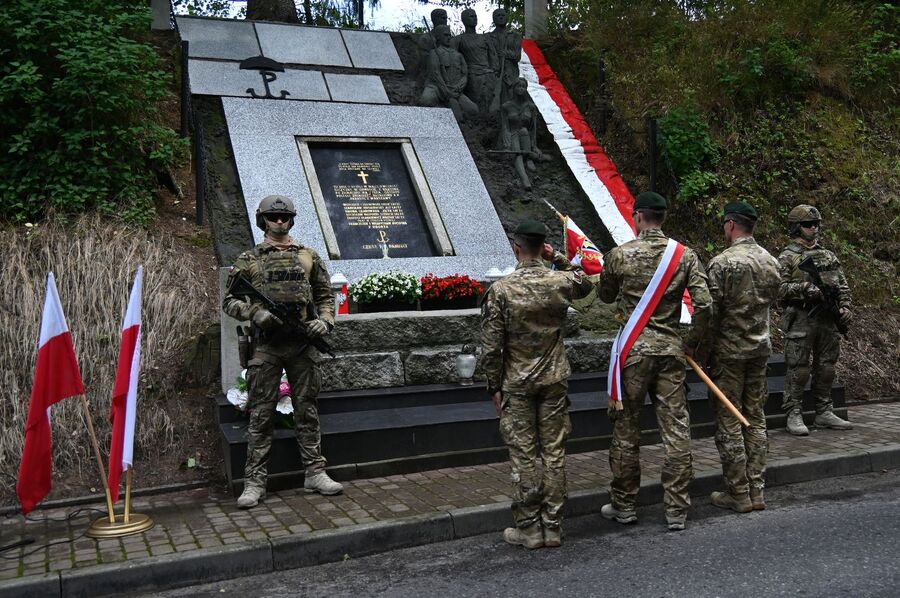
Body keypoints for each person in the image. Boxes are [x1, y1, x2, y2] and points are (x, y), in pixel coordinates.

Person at [597, 192, 712, 531]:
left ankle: (624, 505)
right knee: (676, 430)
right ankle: (676, 509)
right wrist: (690, 344)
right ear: (662, 218)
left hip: (633, 354)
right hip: (670, 353)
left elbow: (604, 295)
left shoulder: (619, 255)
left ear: (637, 217)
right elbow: (704, 305)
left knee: (626, 430)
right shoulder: (685, 255)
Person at [223, 195, 343, 509]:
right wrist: (254, 314)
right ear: (263, 221)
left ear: (291, 219)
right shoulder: (250, 258)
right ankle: (255, 482)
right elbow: (229, 301)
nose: (279, 221)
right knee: (261, 413)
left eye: (284, 216)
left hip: (301, 343)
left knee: (308, 409)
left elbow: (325, 296)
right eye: (273, 217)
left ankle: (315, 472)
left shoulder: (308, 256)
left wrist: (325, 322)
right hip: (267, 346)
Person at [480, 219, 594, 549]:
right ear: (542, 247)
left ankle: (529, 528)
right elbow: (586, 284)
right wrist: (557, 257)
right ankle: (553, 526)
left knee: (524, 455)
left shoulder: (501, 290)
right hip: (554, 379)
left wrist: (493, 386)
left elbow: (491, 347)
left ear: (516, 247)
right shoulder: (560, 281)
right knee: (554, 453)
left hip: (517, 382)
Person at [703, 201, 781, 513]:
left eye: (724, 224)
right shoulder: (770, 261)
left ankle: (738, 492)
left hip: (729, 353)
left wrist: (700, 348)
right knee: (756, 418)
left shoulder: (722, 263)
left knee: (729, 420)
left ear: (731, 224)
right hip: (759, 349)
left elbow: (710, 312)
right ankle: (757, 490)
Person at [777, 204, 853, 435]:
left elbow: (842, 284)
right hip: (800, 317)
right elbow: (778, 290)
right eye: (809, 225)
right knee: (798, 369)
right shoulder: (787, 257)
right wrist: (804, 288)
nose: (814, 228)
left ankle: (824, 411)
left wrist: (846, 306)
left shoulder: (828, 255)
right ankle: (793, 412)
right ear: (796, 228)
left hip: (827, 319)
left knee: (827, 366)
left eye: (817, 224)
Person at [420, 25, 479, 121]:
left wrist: (459, 87)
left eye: (449, 35)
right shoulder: (434, 53)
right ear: (439, 37)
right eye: (445, 35)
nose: (448, 37)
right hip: (437, 88)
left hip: (455, 90)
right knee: (425, 101)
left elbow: (464, 74)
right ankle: (441, 115)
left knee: (473, 110)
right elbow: (435, 74)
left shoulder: (458, 55)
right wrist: (446, 91)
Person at [451, 8, 496, 111]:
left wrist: (494, 71)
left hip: (488, 75)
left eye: (475, 16)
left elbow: (493, 56)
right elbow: (454, 59)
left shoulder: (485, 38)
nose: (474, 18)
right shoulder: (458, 39)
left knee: (490, 102)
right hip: (472, 75)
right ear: (464, 20)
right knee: (476, 102)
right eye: (471, 16)